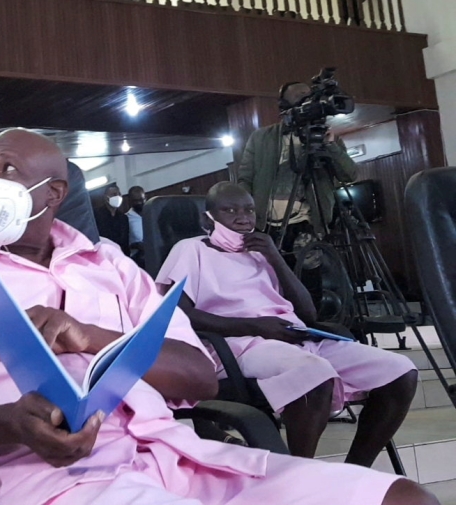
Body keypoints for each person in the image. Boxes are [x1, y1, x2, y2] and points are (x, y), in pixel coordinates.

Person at [0, 129, 435, 505]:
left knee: (406, 499)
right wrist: (4, 421)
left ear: (53, 192)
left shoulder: (110, 264)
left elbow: (200, 376)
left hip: (180, 461)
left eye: (6, 169)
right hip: (47, 481)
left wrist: (90, 336)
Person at [155, 182, 417, 465]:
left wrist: (275, 257)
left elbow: (307, 313)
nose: (242, 217)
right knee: (315, 374)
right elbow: (177, 314)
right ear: (207, 217)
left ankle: (355, 469)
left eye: (249, 210)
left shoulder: (260, 250)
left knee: (400, 371)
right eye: (229, 210)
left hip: (293, 336)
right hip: (237, 344)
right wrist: (255, 327)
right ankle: (298, 476)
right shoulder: (190, 249)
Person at [237, 82, 357, 251]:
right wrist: (246, 219)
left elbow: (350, 175)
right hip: (265, 227)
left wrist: (330, 147)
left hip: (309, 227)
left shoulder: (328, 139)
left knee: (309, 276)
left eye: (309, 97)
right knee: (268, 277)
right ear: (284, 106)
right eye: (299, 97)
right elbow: (245, 180)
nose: (306, 101)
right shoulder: (261, 138)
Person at [92, 183, 129, 250]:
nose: (118, 197)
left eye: (119, 194)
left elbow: (125, 241)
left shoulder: (123, 218)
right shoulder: (96, 215)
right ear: (106, 198)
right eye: (114, 194)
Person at [127, 185, 146, 267]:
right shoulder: (127, 218)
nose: (139, 203)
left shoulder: (152, 213)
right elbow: (124, 242)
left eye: (141, 200)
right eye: (136, 200)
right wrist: (136, 245)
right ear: (130, 201)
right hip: (138, 258)